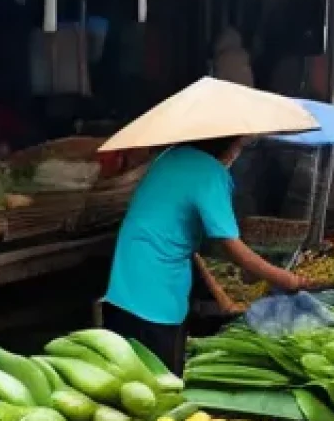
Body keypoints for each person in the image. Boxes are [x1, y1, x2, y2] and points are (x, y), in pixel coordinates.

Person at [103, 136, 308, 373]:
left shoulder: (169, 156)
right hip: (156, 299)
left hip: (122, 287)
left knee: (124, 379)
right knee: (161, 383)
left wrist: (219, 291)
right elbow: (232, 247)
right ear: (227, 143)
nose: (238, 152)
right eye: (240, 145)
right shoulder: (210, 173)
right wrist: (287, 279)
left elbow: (175, 234)